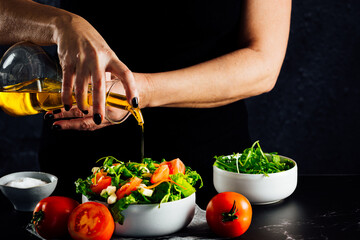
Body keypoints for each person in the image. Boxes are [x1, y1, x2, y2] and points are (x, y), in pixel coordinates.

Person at [0, 0, 291, 208]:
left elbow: (263, 62)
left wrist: (136, 91)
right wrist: (60, 22)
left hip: (210, 182)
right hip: (80, 171)